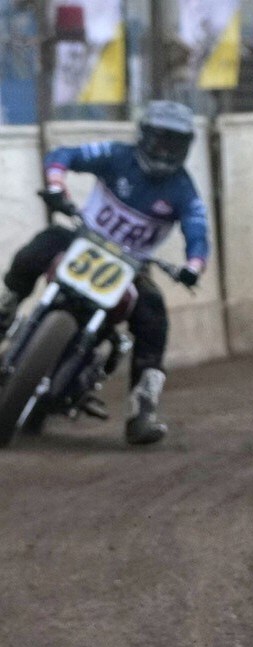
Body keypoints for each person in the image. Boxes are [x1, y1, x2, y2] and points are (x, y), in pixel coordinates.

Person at [0, 101, 209, 445]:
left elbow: (198, 232)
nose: (166, 151)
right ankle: (6, 309)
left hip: (133, 265)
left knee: (154, 313)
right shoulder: (116, 155)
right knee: (39, 247)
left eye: (176, 144)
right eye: (160, 140)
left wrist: (193, 267)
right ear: (144, 137)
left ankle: (143, 408)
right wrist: (56, 184)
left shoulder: (183, 190)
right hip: (84, 239)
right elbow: (64, 154)